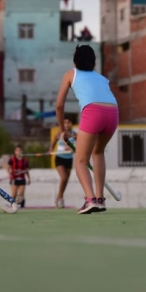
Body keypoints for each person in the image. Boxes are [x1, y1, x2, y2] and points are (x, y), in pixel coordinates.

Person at [55, 45, 118, 214]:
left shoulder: (71, 74)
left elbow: (59, 105)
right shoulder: (102, 78)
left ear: (75, 60)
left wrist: (63, 130)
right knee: (98, 153)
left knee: (81, 161)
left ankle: (90, 200)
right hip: (113, 112)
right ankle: (100, 199)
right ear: (94, 61)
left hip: (93, 112)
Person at [50, 117, 76, 209]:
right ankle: (60, 198)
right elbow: (53, 143)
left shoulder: (74, 135)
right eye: (65, 123)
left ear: (71, 124)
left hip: (69, 159)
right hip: (60, 158)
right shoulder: (59, 134)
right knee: (64, 177)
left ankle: (59, 198)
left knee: (65, 181)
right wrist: (50, 150)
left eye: (68, 122)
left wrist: (73, 149)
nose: (67, 124)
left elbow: (80, 144)